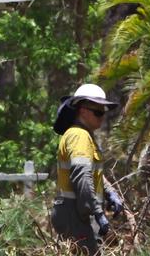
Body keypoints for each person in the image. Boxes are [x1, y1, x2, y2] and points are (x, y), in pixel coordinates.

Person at [51, 83, 124, 254]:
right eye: (98, 112)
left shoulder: (82, 135)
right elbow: (82, 176)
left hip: (75, 212)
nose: (103, 117)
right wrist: (97, 213)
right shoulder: (79, 136)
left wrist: (109, 192)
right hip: (76, 214)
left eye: (104, 112)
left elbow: (90, 172)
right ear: (82, 110)